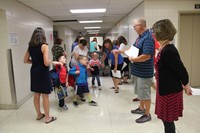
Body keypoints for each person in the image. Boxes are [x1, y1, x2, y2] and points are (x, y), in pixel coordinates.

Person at [152, 19, 192, 133]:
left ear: (161, 32)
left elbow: (181, 70)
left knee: (168, 121)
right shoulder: (164, 48)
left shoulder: (169, 51)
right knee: (166, 120)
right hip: (164, 89)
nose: (153, 34)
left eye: (155, 32)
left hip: (170, 92)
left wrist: (186, 85)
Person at [116, 18, 154, 123]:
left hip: (144, 72)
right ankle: (141, 108)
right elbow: (132, 49)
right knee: (140, 92)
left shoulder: (148, 38)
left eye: (135, 26)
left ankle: (147, 114)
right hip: (138, 71)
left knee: (145, 93)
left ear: (141, 25)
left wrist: (133, 59)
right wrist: (120, 52)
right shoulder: (140, 38)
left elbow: (146, 56)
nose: (134, 28)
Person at [24, 27, 56, 124]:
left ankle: (39, 114)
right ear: (43, 35)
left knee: (36, 94)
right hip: (43, 72)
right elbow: (46, 63)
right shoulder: (44, 46)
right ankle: (47, 117)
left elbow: (25, 60)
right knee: (45, 95)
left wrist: (35, 62)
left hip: (34, 71)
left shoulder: (30, 46)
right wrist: (51, 61)